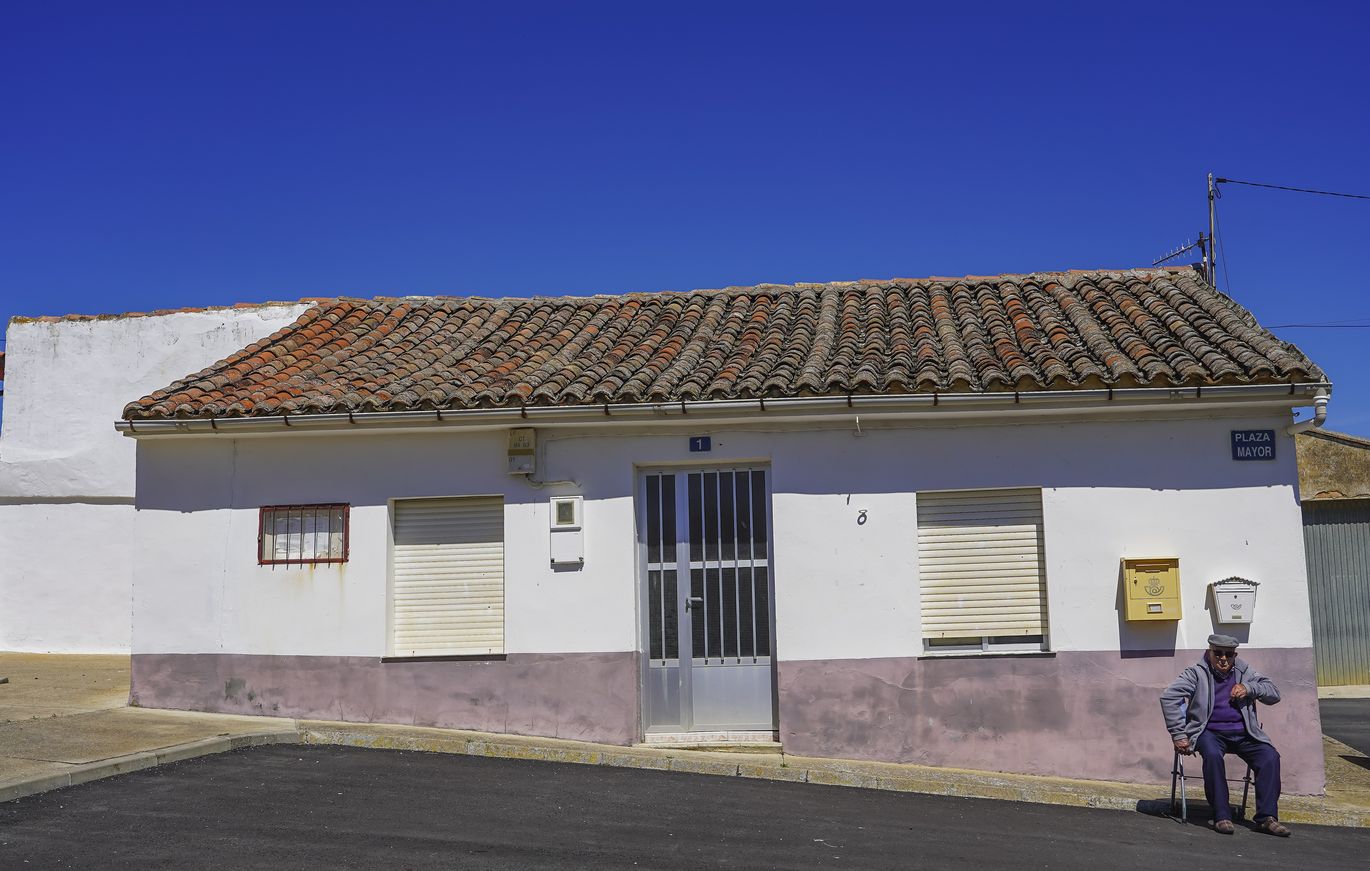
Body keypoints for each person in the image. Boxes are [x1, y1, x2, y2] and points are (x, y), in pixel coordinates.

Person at [1160, 633, 1291, 836]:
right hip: (1209, 732)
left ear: (1234, 655)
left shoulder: (1244, 671)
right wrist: (1179, 734)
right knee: (1212, 755)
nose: (1223, 659)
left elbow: (1274, 693)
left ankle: (1266, 818)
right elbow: (1169, 697)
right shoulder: (1196, 673)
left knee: (1269, 757)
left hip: (1244, 733)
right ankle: (1221, 815)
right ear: (1209, 652)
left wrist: (1249, 688)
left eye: (1228, 655)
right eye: (1218, 653)